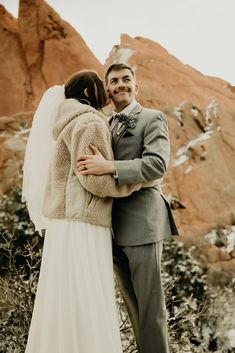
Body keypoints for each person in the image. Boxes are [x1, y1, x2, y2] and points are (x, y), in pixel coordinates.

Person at [22, 70, 149, 353]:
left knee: (63, 295)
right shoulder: (90, 122)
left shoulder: (66, 122)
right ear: (90, 92)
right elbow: (95, 180)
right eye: (101, 87)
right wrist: (135, 183)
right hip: (84, 221)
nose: (108, 92)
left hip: (64, 221)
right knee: (87, 292)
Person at [76, 63, 179, 353]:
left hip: (144, 221)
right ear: (107, 89)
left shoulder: (152, 118)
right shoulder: (102, 123)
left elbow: (157, 165)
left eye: (126, 79)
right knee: (133, 307)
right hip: (112, 225)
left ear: (136, 86)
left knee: (150, 307)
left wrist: (108, 166)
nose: (121, 84)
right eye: (114, 81)